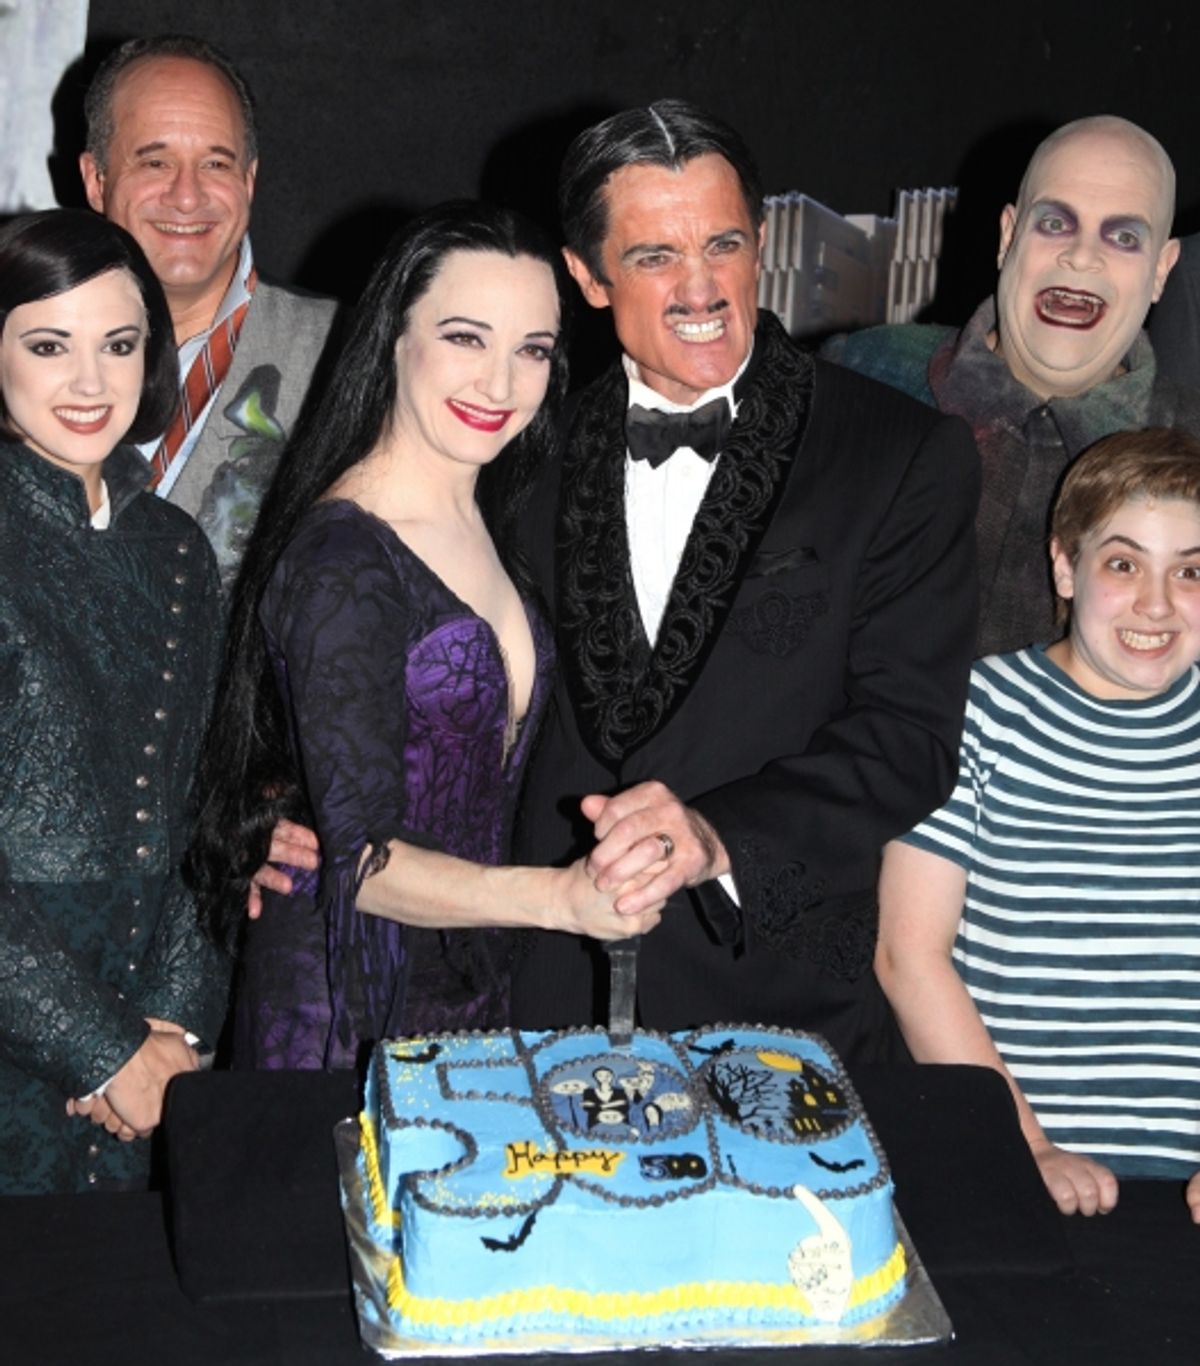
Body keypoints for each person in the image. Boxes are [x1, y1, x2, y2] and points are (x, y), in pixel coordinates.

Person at [502, 100, 981, 1063]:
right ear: (587, 276)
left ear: (761, 242)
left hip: (781, 1009)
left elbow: (908, 739)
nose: (701, 288)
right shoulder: (517, 453)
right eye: (654, 257)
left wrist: (715, 836)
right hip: (541, 1001)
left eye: (723, 244)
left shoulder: (898, 453)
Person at [189, 202, 662, 1071]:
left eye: (532, 350)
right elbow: (363, 864)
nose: (499, 384)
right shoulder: (342, 555)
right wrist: (560, 899)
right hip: (341, 1018)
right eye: (465, 337)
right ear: (394, 338)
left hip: (470, 989)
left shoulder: (495, 517)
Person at [876, 427, 1200, 1221]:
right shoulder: (973, 716)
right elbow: (907, 955)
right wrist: (1026, 1147)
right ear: (1064, 565)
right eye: (1123, 564)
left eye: (1191, 572)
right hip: (1015, 1171)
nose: (1157, 603)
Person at [0, 209, 229, 1194]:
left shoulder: (176, 549)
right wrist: (103, 1050)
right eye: (49, 345)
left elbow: (205, 804)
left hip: (153, 1057)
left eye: (120, 344)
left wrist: (171, 1028)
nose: (91, 382)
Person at [824, 116, 1200, 657]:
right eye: (1055, 223)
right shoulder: (863, 377)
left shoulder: (1190, 440)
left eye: (1123, 237)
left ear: (1162, 270)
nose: (1082, 256)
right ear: (1008, 237)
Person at [79, 33, 338, 589]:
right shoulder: (18, 345)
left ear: (249, 180)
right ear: (96, 181)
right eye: (155, 162)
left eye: (216, 164)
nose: (187, 196)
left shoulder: (345, 352)